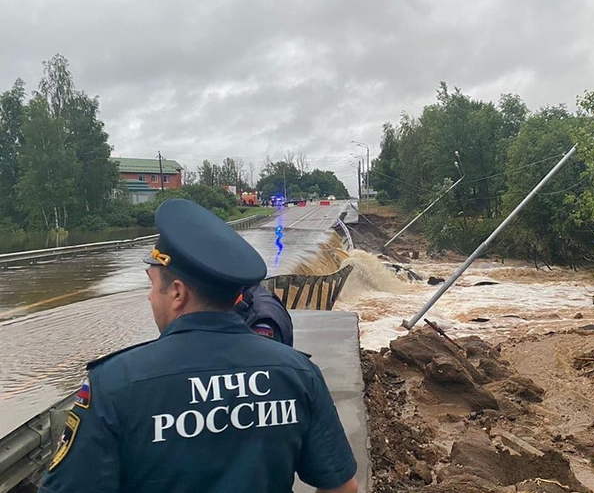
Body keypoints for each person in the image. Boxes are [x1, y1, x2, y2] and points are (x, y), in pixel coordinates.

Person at [40, 198, 359, 493]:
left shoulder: (114, 386)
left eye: (152, 286)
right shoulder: (298, 374)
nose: (149, 297)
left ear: (177, 293)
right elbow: (342, 487)